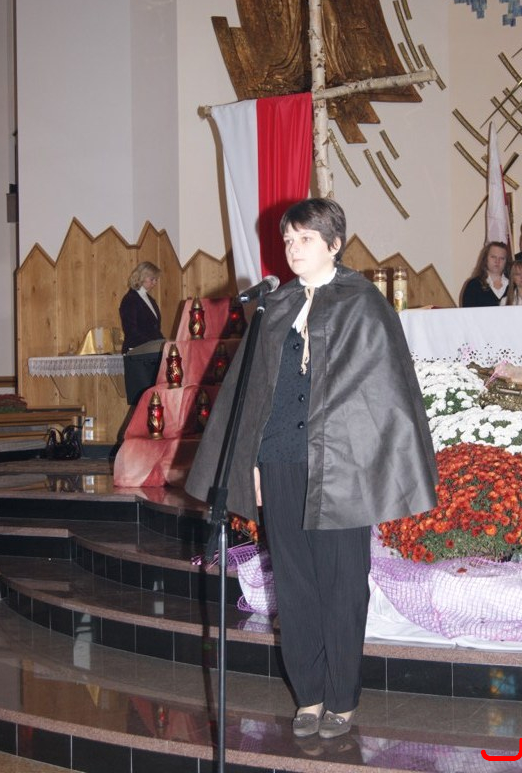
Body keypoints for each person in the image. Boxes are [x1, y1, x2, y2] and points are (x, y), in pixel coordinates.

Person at [185, 198, 437, 740]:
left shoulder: (363, 303)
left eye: (305, 239)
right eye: (289, 240)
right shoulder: (273, 307)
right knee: (294, 583)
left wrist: (374, 465)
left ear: (333, 244)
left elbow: (385, 396)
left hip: (341, 467)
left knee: (343, 584)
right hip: (280, 462)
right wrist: (252, 461)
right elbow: (257, 395)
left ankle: (342, 697)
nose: (294, 249)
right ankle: (309, 695)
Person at [119, 262, 164, 353]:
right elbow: (131, 331)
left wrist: (164, 343)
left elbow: (155, 330)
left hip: (150, 350)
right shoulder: (130, 299)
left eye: (156, 279)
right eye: (152, 279)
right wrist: (153, 344)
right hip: (136, 351)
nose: (155, 282)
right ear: (141, 277)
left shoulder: (150, 300)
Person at [461, 241, 509, 307]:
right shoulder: (473, 285)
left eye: (502, 258)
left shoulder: (514, 285)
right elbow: (468, 312)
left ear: (506, 261)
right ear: (485, 259)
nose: (497, 261)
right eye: (493, 257)